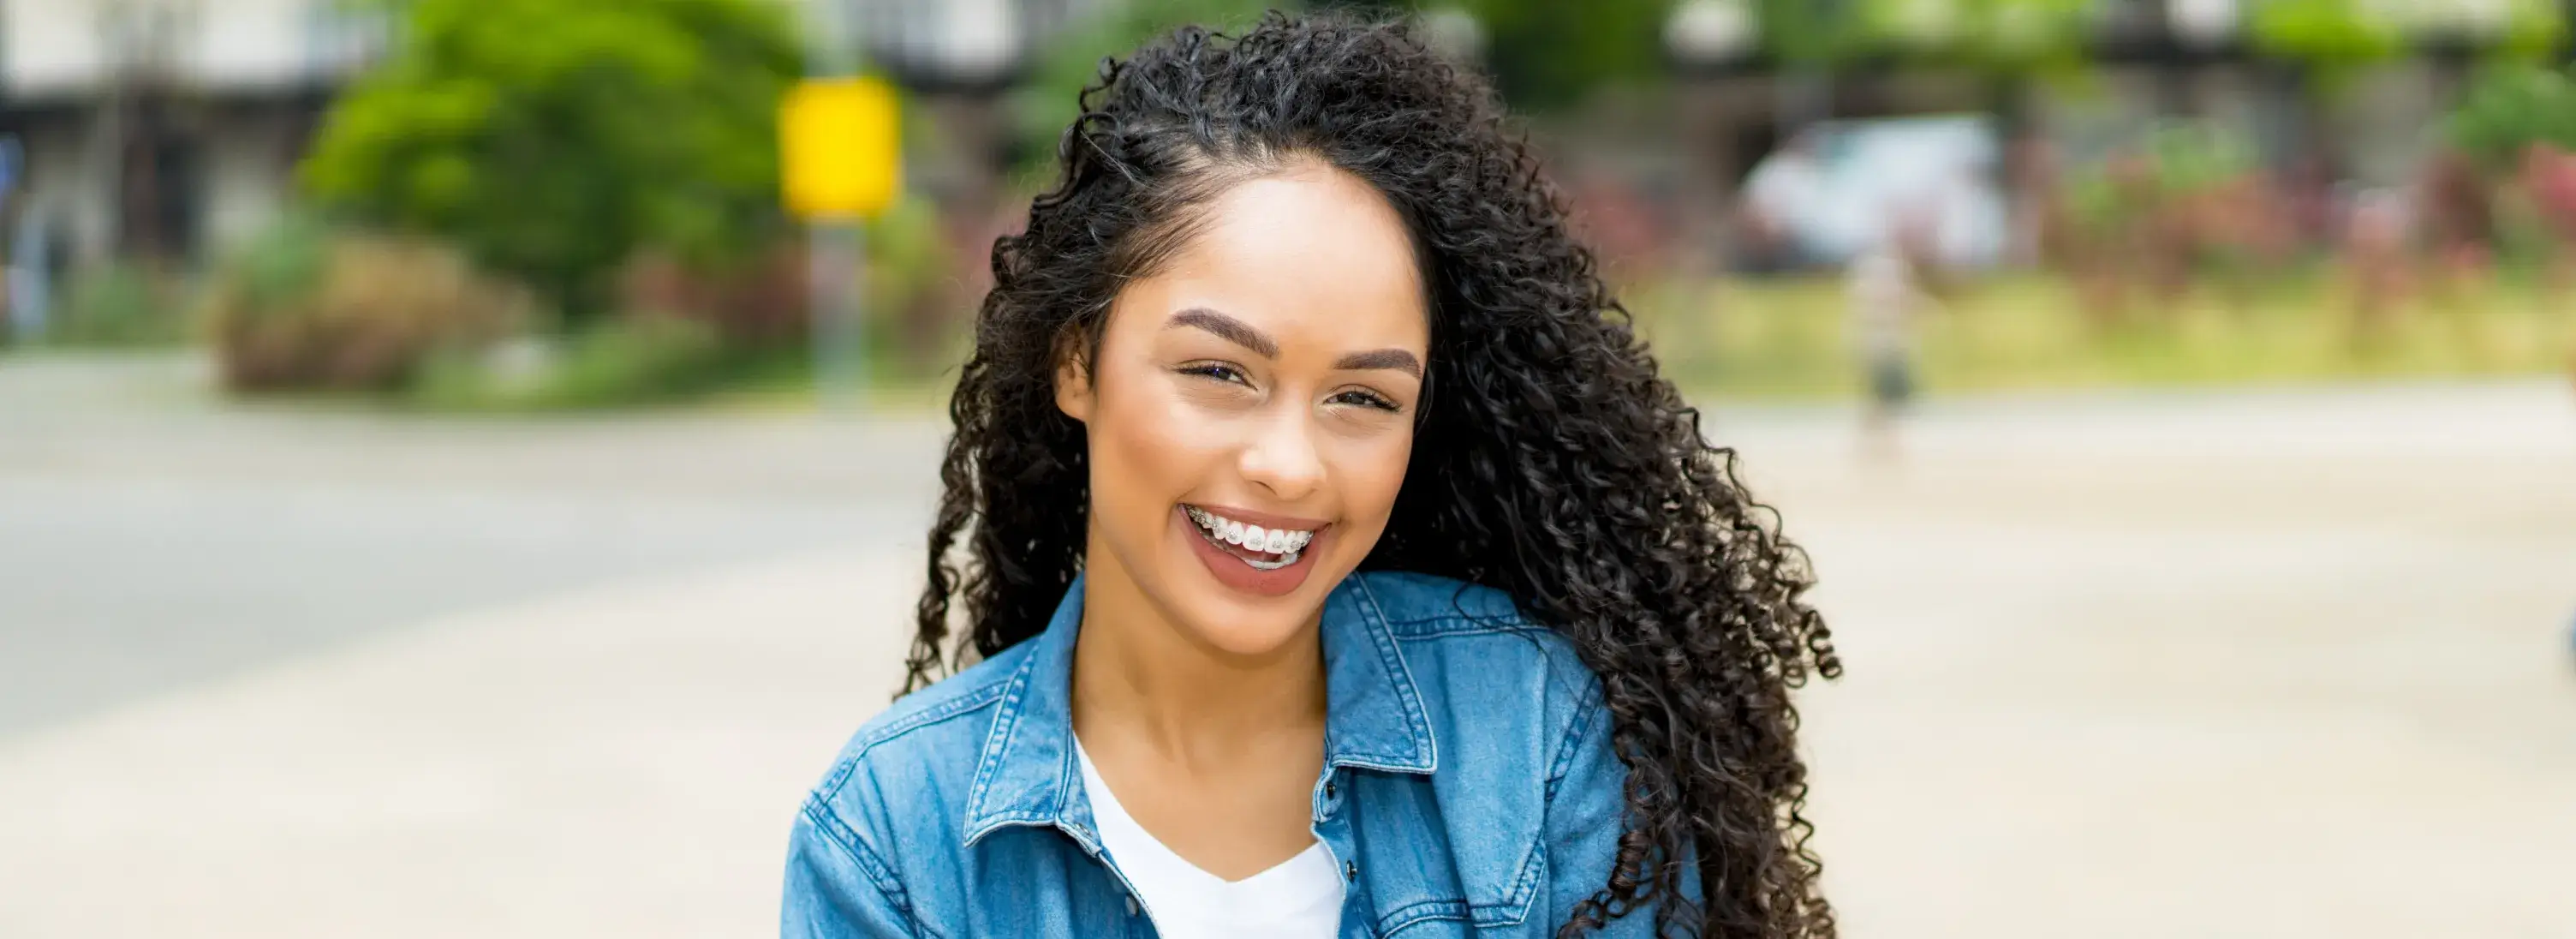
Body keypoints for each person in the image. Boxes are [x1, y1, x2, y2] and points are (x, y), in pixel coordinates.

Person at [781, 15, 1840, 939]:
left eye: (1361, 398)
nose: (1287, 465)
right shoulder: (893, 833)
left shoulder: (1528, 734)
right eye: (1218, 371)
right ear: (1076, 362)